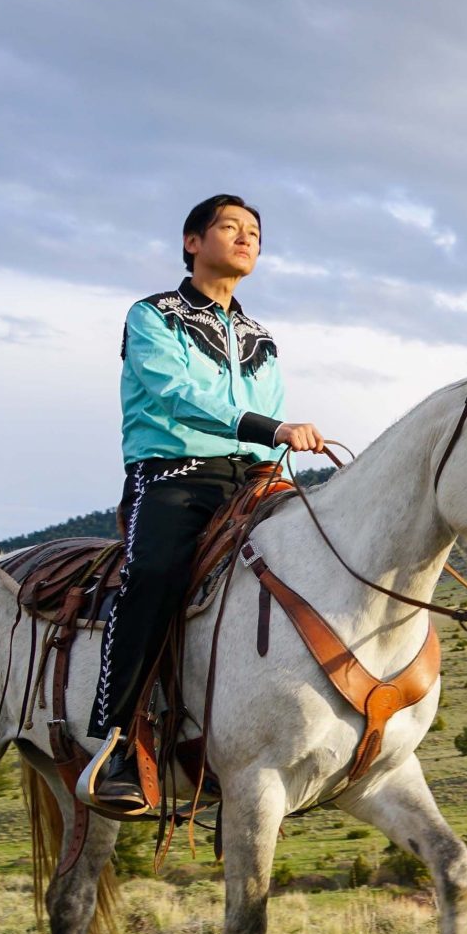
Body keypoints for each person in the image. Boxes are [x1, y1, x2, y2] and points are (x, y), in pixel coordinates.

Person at [76, 195, 326, 817]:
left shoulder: (260, 336)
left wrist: (281, 473)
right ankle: (118, 741)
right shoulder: (152, 315)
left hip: (255, 478)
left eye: (255, 234)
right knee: (154, 576)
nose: (246, 239)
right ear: (192, 242)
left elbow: (273, 420)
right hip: (174, 476)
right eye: (230, 228)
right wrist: (268, 427)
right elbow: (175, 396)